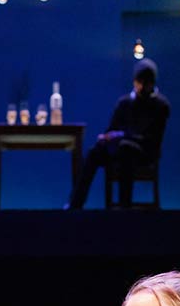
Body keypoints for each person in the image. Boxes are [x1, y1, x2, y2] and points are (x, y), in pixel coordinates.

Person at [66, 58, 170, 209]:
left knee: (126, 148)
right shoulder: (125, 102)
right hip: (120, 147)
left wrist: (122, 136)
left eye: (145, 83)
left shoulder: (161, 106)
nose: (141, 87)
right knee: (95, 152)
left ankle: (124, 207)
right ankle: (75, 204)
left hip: (143, 152)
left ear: (152, 83)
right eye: (139, 82)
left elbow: (152, 139)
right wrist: (107, 138)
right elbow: (111, 129)